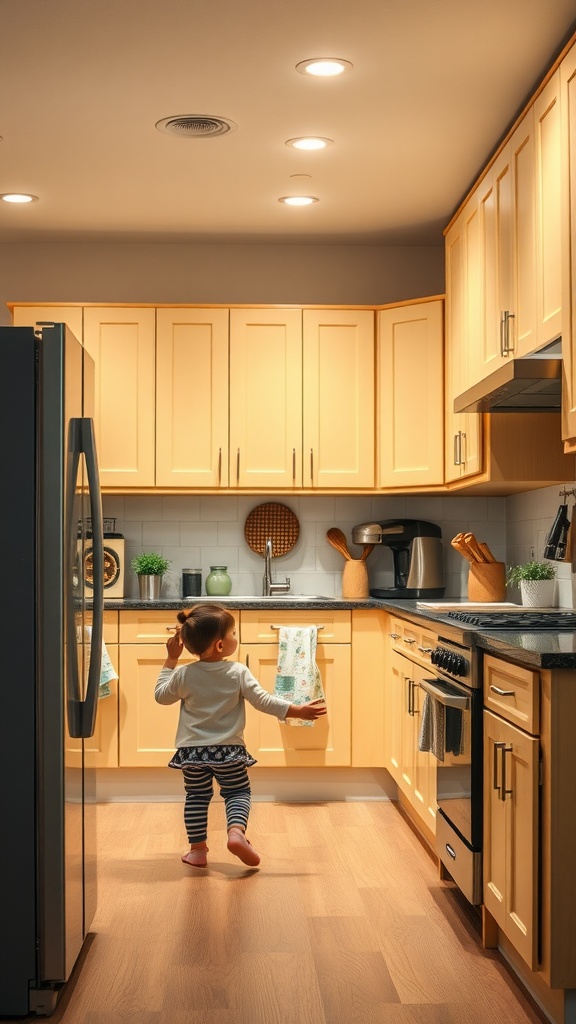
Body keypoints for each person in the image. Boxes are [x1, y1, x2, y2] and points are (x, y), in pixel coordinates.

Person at [155, 603, 326, 869]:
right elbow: (263, 701)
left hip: (192, 753)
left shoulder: (184, 674)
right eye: (233, 633)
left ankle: (198, 850)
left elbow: (161, 697)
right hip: (229, 751)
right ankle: (236, 832)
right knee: (237, 791)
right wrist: (296, 711)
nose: (236, 636)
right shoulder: (237, 672)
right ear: (221, 646)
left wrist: (171, 659)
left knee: (197, 797)